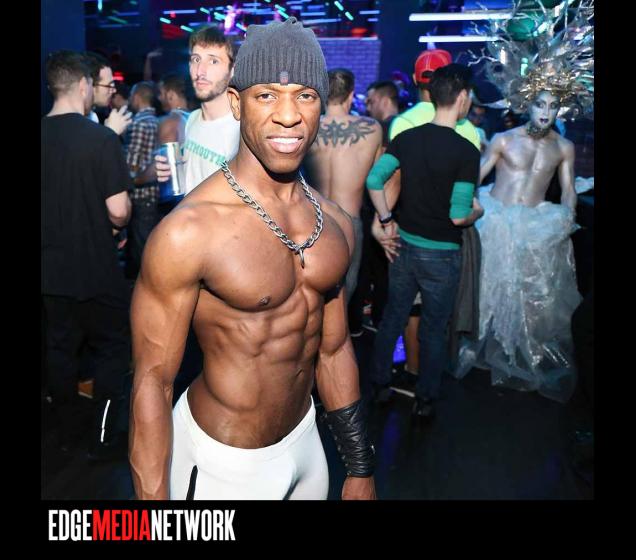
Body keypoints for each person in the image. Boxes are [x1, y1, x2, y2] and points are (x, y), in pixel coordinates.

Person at [130, 17, 376, 501]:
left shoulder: (335, 224)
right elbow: (152, 382)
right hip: (221, 464)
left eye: (306, 95)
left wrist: (360, 467)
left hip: (308, 446)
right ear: (237, 103)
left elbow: (333, 350)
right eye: (267, 95)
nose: (288, 115)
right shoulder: (189, 231)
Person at [452, 0, 593, 402]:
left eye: (552, 105)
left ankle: (518, 354)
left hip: (536, 225)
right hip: (495, 220)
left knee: (531, 298)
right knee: (487, 291)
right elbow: (475, 177)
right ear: (526, 103)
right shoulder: (503, 140)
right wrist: (463, 205)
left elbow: (567, 188)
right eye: (539, 104)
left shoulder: (563, 147)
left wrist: (566, 218)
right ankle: (481, 348)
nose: (545, 112)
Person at [366, 64, 483, 418]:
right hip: (442, 255)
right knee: (433, 329)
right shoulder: (466, 151)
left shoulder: (407, 138)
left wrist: (386, 219)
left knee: (393, 319)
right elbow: (458, 216)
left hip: (403, 247)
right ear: (462, 98)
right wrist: (477, 212)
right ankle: (425, 400)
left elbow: (374, 181)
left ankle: (380, 385)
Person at [42, 50, 132, 457]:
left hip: (50, 272)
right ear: (82, 85)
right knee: (112, 348)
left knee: (60, 350)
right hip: (95, 268)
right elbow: (119, 210)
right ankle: (102, 436)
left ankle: (65, 434)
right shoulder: (101, 139)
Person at [303, 68, 382, 304]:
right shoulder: (372, 129)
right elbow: (377, 178)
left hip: (311, 219)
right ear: (351, 95)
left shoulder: (306, 126)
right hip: (349, 221)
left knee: (309, 293)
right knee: (344, 295)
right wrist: (384, 218)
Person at [154, 26, 241, 195]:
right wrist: (172, 170)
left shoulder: (241, 130)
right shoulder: (192, 119)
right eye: (196, 59)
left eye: (213, 61)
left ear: (233, 70)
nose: (200, 71)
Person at [123, 81, 159, 278]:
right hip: (154, 194)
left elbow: (131, 163)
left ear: (137, 98)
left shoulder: (138, 123)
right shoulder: (158, 120)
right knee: (149, 247)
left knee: (140, 252)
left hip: (140, 194)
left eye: (131, 96)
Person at [85, 51, 132, 136]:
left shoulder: (92, 116)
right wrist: (110, 132)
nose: (114, 90)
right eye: (109, 85)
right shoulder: (75, 120)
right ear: (91, 85)